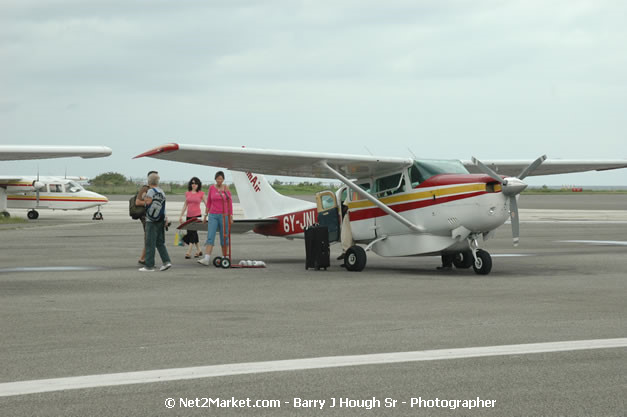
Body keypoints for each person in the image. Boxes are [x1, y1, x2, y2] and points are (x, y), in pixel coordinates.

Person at [198, 171, 233, 266]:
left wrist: (231, 216)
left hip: (224, 215)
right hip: (213, 215)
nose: (219, 181)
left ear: (223, 179)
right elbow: (208, 202)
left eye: (221, 179)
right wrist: (205, 215)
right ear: (215, 179)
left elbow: (230, 202)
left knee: (224, 237)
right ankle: (206, 258)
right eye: (218, 179)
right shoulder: (212, 188)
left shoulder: (226, 188)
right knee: (210, 236)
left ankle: (224, 257)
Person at [139, 173, 172, 272]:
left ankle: (149, 265)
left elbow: (148, 202)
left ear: (149, 181)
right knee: (160, 242)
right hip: (161, 219)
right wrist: (165, 218)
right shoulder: (162, 192)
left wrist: (144, 196)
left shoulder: (150, 191)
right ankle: (166, 261)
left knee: (150, 242)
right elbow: (163, 206)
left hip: (151, 220)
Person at [179, 176, 207, 259]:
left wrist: (206, 215)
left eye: (195, 183)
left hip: (197, 216)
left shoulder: (201, 193)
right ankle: (199, 250)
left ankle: (188, 252)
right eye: (192, 183)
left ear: (198, 184)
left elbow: (207, 205)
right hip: (189, 216)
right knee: (192, 233)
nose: (194, 184)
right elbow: (185, 205)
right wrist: (181, 215)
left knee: (192, 233)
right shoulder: (187, 193)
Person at [136, 170, 158, 265]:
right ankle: (143, 258)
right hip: (145, 216)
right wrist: (149, 203)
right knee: (149, 237)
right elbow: (137, 202)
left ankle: (143, 258)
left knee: (150, 237)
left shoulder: (156, 190)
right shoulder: (145, 189)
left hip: (153, 215)